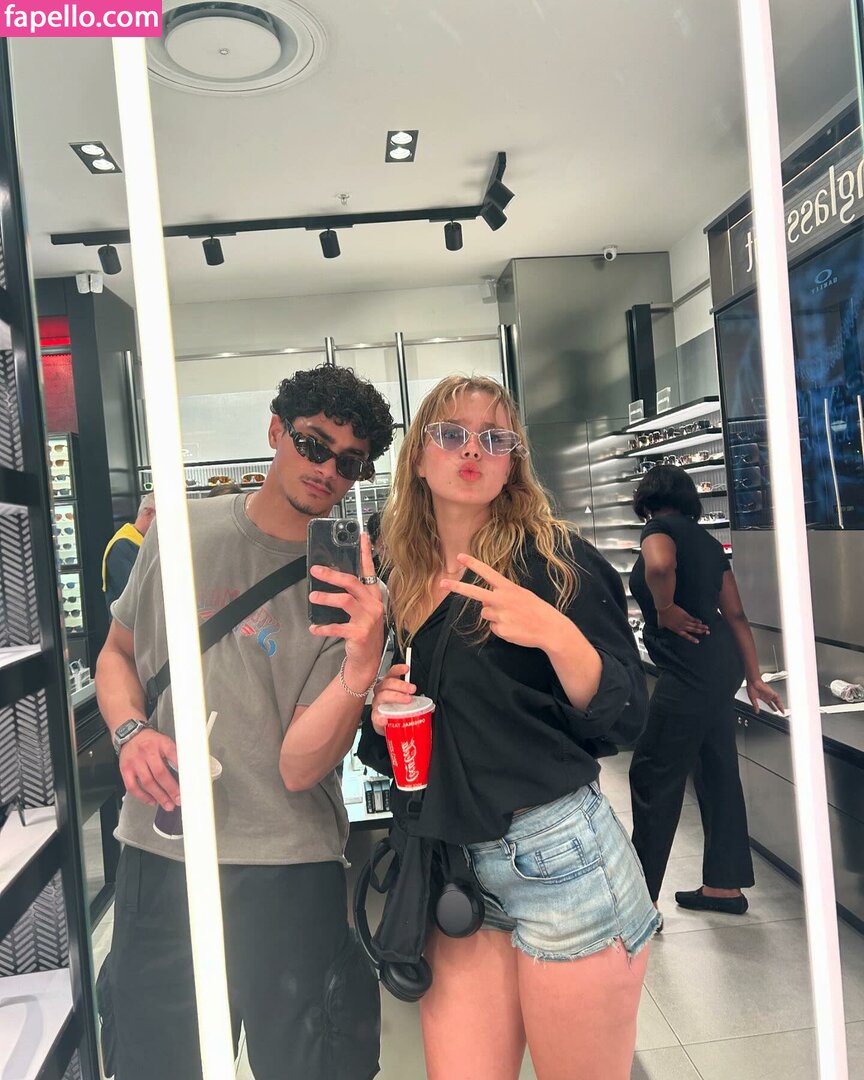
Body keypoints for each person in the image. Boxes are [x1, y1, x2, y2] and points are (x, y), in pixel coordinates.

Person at [94, 365, 394, 1080]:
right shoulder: (178, 535)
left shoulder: (351, 589)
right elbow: (117, 653)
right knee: (156, 1063)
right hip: (165, 850)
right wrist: (131, 733)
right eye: (312, 444)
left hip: (290, 862)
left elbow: (300, 766)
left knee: (312, 1067)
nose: (327, 470)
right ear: (275, 431)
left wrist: (362, 663)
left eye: (349, 462)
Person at [360, 375, 657, 1080]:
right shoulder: (399, 573)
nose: (473, 450)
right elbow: (412, 742)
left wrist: (557, 635)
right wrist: (379, 707)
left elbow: (627, 718)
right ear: (418, 456)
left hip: (562, 859)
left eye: (495, 438)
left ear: (513, 461)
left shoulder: (557, 562)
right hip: (454, 863)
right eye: (452, 434)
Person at [627, 464, 783, 917]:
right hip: (720, 666)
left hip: (689, 669)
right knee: (717, 769)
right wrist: (753, 677)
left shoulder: (658, 529)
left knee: (653, 774)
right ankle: (724, 886)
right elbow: (735, 614)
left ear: (648, 498)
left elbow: (659, 565)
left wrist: (665, 609)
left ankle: (639, 904)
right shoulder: (709, 543)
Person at [101, 494, 155, 610]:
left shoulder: (142, 542)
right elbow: (138, 592)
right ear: (149, 513)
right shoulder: (123, 546)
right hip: (132, 619)